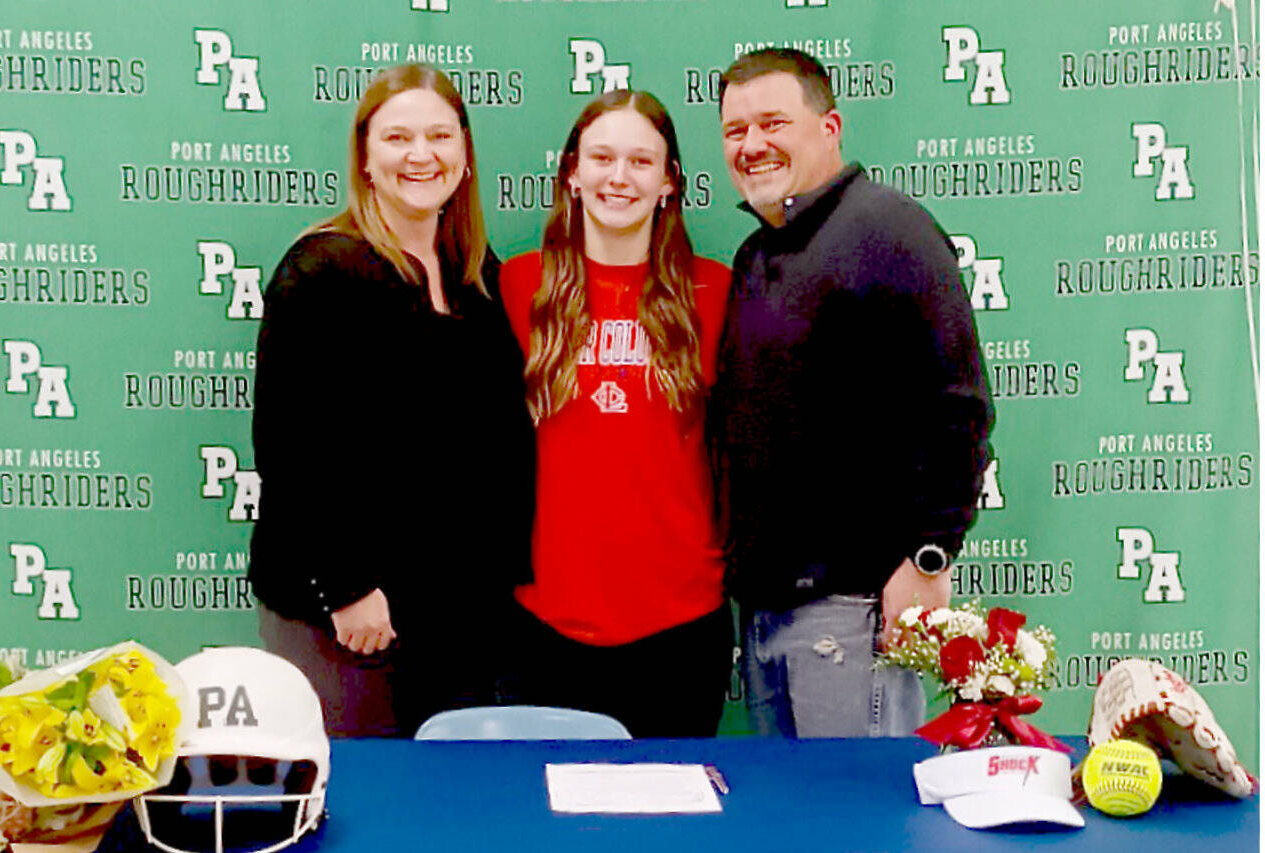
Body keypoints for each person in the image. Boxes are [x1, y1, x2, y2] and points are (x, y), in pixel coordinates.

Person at [709, 48, 994, 738]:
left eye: (773, 122)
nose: (752, 145)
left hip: (854, 608)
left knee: (858, 826)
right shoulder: (757, 255)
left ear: (829, 127)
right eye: (735, 130)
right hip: (768, 611)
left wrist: (929, 557)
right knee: (799, 828)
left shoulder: (889, 231)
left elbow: (959, 409)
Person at [249, 64, 533, 737]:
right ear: (366, 159)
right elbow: (290, 449)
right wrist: (345, 590)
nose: (420, 154)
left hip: (455, 616)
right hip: (349, 620)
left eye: (439, 136)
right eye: (397, 137)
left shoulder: (475, 277)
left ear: (463, 157)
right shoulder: (321, 270)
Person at [500, 90, 732, 738]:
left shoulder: (716, 293)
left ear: (668, 183)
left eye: (640, 160)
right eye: (602, 157)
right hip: (547, 624)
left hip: (681, 625)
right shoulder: (520, 286)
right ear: (572, 173)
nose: (619, 176)